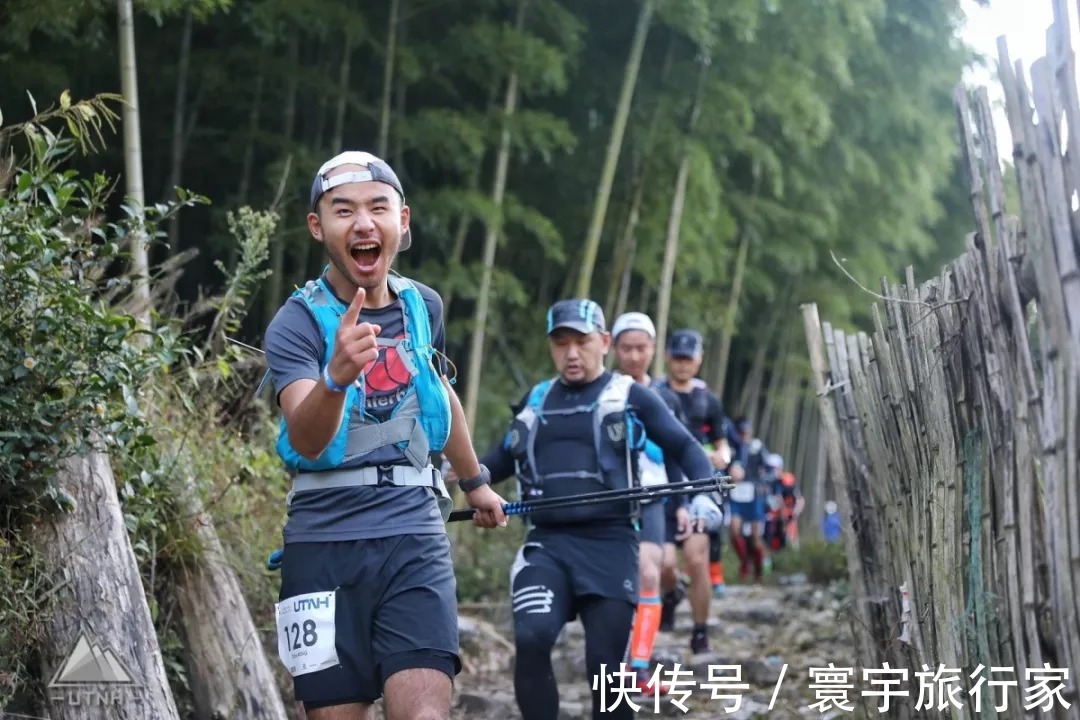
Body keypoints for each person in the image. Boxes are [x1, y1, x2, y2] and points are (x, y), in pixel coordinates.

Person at [263, 150, 508, 720]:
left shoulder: (424, 305)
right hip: (321, 548)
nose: (363, 223)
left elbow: (437, 392)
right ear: (318, 227)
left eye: (378, 207)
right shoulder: (295, 323)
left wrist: (475, 482)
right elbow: (306, 439)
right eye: (343, 210)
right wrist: (334, 378)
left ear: (403, 221)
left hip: (414, 534)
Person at [475, 299, 722, 720]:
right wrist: (466, 478)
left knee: (606, 672)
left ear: (604, 342)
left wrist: (704, 495)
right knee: (532, 638)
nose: (572, 353)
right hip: (546, 545)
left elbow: (684, 446)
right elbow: (497, 461)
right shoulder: (536, 399)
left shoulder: (632, 397)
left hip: (611, 545)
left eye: (582, 341)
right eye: (561, 343)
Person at [609, 311, 694, 695]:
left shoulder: (665, 399)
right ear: (612, 347)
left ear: (653, 349)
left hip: (653, 495)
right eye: (626, 348)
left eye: (641, 348)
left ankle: (639, 666)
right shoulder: (602, 393)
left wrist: (681, 501)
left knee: (649, 571)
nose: (633, 355)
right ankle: (614, 657)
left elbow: (677, 452)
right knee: (617, 580)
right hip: (609, 498)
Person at [655, 329, 740, 654]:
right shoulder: (654, 394)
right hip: (661, 484)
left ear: (699, 360)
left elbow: (723, 442)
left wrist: (723, 457)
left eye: (688, 358)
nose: (682, 364)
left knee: (696, 557)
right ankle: (671, 592)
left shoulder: (709, 400)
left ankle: (700, 630)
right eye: (677, 357)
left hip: (697, 488)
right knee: (662, 562)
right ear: (667, 357)